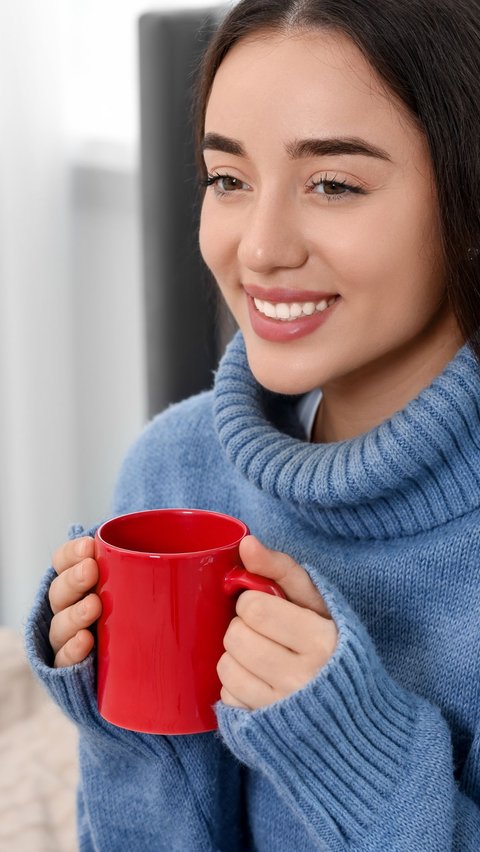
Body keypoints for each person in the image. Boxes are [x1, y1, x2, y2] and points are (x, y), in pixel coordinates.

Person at [25, 0, 480, 849]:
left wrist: (353, 749)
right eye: (228, 180)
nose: (261, 247)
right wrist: (128, 727)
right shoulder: (174, 468)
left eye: (334, 183)